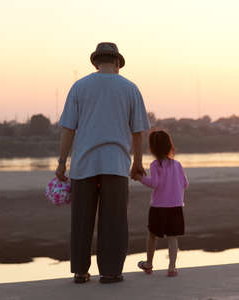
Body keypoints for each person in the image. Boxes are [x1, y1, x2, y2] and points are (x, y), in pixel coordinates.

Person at [56, 42, 150, 284]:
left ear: (96, 62)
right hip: (115, 164)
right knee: (114, 221)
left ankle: (80, 271)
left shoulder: (79, 87)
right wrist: (137, 163)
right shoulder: (130, 88)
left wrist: (61, 162)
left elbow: (69, 128)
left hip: (83, 165)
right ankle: (110, 272)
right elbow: (138, 131)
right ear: (118, 62)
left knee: (81, 220)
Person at [134, 130, 189, 277]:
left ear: (152, 148)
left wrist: (140, 178)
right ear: (170, 146)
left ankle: (149, 264)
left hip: (159, 207)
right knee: (172, 237)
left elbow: (155, 183)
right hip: (176, 206)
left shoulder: (154, 165)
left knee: (152, 234)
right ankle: (172, 267)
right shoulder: (177, 165)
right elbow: (185, 183)